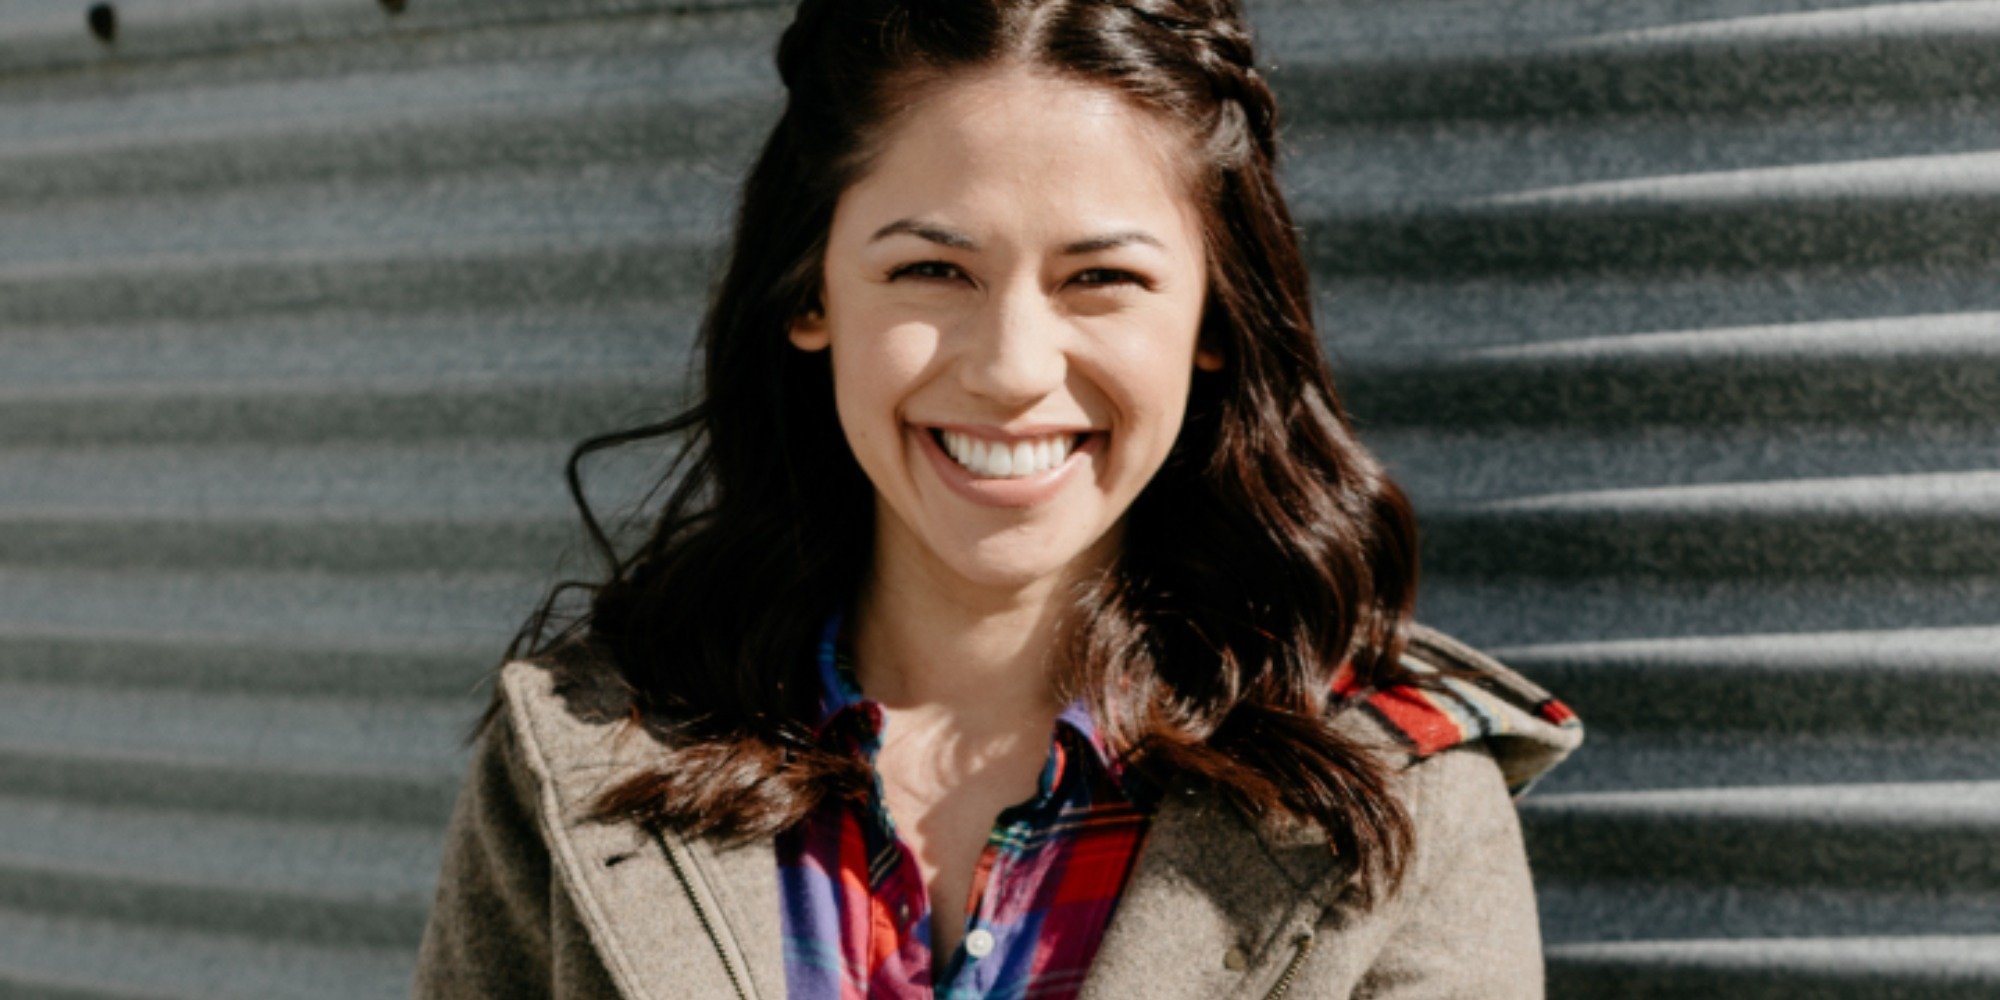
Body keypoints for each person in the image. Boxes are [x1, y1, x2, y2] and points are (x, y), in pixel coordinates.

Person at [413, 0, 1584, 997]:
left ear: (1215, 320)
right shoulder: (587, 749)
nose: (1012, 366)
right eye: (931, 270)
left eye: (1101, 279)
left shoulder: (1393, 793)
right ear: (808, 292)